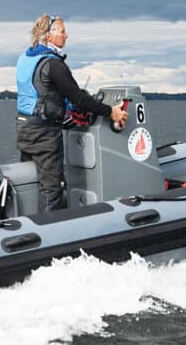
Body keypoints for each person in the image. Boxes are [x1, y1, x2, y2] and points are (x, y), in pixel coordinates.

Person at [16, 14, 129, 212]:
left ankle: (28, 225)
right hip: (44, 135)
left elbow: (42, 93)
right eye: (62, 31)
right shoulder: (54, 65)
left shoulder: (27, 58)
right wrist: (110, 111)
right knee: (52, 187)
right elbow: (79, 99)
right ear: (48, 35)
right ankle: (49, 234)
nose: (66, 35)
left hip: (25, 127)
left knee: (33, 181)